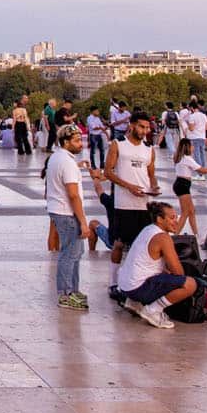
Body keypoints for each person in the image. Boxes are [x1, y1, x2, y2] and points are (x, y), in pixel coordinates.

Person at [114, 201, 198, 329]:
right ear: (160, 219)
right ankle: (153, 311)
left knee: (164, 275)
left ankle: (134, 303)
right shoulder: (163, 237)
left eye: (176, 217)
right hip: (137, 287)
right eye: (171, 218)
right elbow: (179, 272)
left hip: (125, 286)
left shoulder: (148, 229)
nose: (176, 221)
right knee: (190, 284)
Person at [43, 125, 92, 310]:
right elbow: (73, 195)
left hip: (58, 210)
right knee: (70, 254)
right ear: (66, 142)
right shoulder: (67, 162)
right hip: (67, 213)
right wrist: (83, 221)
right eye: (77, 141)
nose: (81, 144)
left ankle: (72, 290)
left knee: (75, 253)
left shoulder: (58, 157)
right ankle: (65, 294)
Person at [104, 110, 158, 263]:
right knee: (119, 243)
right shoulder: (118, 144)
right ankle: (114, 280)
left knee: (142, 243)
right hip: (124, 204)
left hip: (143, 204)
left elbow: (151, 174)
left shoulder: (149, 148)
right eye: (141, 127)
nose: (145, 131)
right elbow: (108, 172)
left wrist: (154, 188)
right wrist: (129, 186)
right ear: (132, 125)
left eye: (147, 128)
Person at [170, 139, 202, 237]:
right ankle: (175, 235)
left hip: (182, 184)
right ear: (187, 147)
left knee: (191, 211)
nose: (193, 147)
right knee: (185, 212)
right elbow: (202, 170)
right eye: (191, 145)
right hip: (183, 185)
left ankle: (196, 234)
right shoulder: (187, 158)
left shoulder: (180, 157)